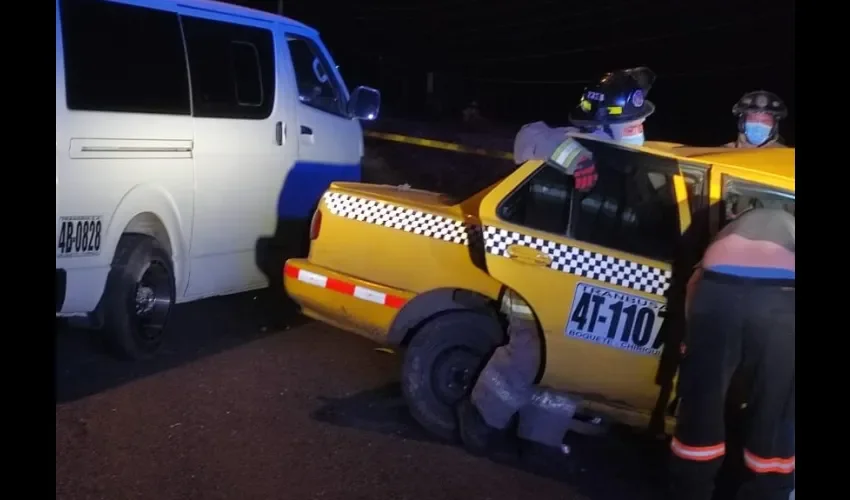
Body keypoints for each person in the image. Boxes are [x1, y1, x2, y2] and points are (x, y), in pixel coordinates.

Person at [670, 207, 795, 500]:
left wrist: (692, 338)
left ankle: (690, 489)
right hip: (781, 297)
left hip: (718, 288)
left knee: (704, 402)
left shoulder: (727, 234)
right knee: (774, 406)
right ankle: (767, 490)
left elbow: (693, 284)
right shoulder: (789, 231)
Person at [513, 66, 657, 164]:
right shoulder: (579, 144)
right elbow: (528, 136)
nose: (638, 135)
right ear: (600, 129)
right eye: (630, 129)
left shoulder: (648, 161)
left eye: (640, 126)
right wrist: (575, 158)